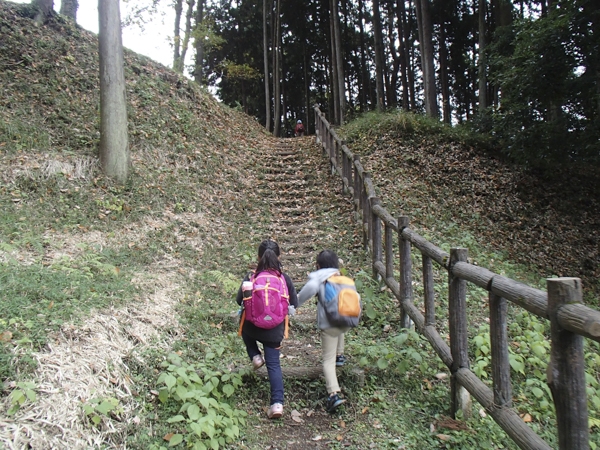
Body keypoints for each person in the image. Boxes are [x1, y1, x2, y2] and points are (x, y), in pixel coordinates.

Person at [236, 239, 298, 419]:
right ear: (279, 257)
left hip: (252, 328)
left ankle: (255, 355)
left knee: (243, 323)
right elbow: (294, 303)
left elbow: (239, 301)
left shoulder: (251, 277)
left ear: (258, 257)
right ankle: (277, 405)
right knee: (274, 365)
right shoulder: (283, 279)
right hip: (274, 331)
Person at [297, 249, 349, 413]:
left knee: (327, 360)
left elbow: (303, 295)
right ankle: (340, 355)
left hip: (329, 324)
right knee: (340, 323)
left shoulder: (319, 280)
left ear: (317, 265)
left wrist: (292, 305)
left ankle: (334, 393)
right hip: (347, 320)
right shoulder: (343, 277)